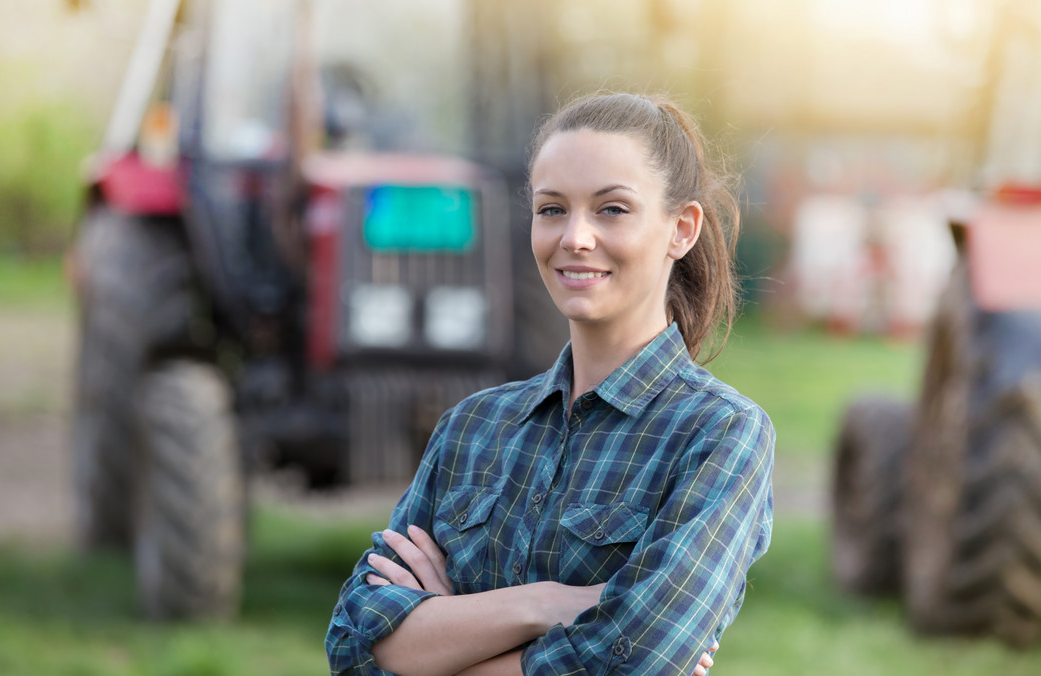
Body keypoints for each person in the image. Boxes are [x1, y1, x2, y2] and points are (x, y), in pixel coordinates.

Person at [326, 92, 774, 675]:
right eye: (552, 209)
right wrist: (540, 606)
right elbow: (353, 644)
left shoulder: (719, 435)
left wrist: (440, 634)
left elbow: (630, 659)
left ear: (681, 229)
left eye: (612, 209)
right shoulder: (472, 427)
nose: (575, 237)